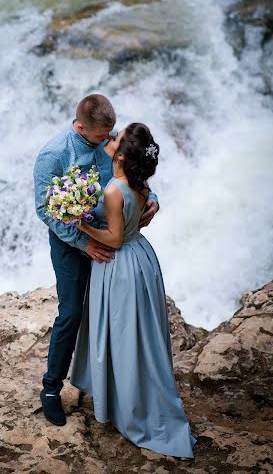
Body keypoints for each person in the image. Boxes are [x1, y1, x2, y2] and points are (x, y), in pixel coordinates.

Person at [70, 123, 197, 459]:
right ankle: (136, 392)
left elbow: (111, 238)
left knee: (124, 335)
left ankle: (129, 404)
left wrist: (78, 219)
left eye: (117, 137)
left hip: (119, 264)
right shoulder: (138, 181)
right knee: (141, 335)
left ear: (123, 155)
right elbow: (136, 209)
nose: (111, 138)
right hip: (142, 257)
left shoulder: (114, 190)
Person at [33, 96, 159, 426]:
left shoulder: (111, 139)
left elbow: (134, 174)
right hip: (72, 244)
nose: (108, 139)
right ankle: (50, 388)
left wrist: (152, 200)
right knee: (72, 312)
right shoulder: (53, 154)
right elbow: (45, 210)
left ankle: (107, 385)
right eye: (100, 135)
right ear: (79, 127)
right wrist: (83, 241)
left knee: (109, 312)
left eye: (110, 134)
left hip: (112, 241)